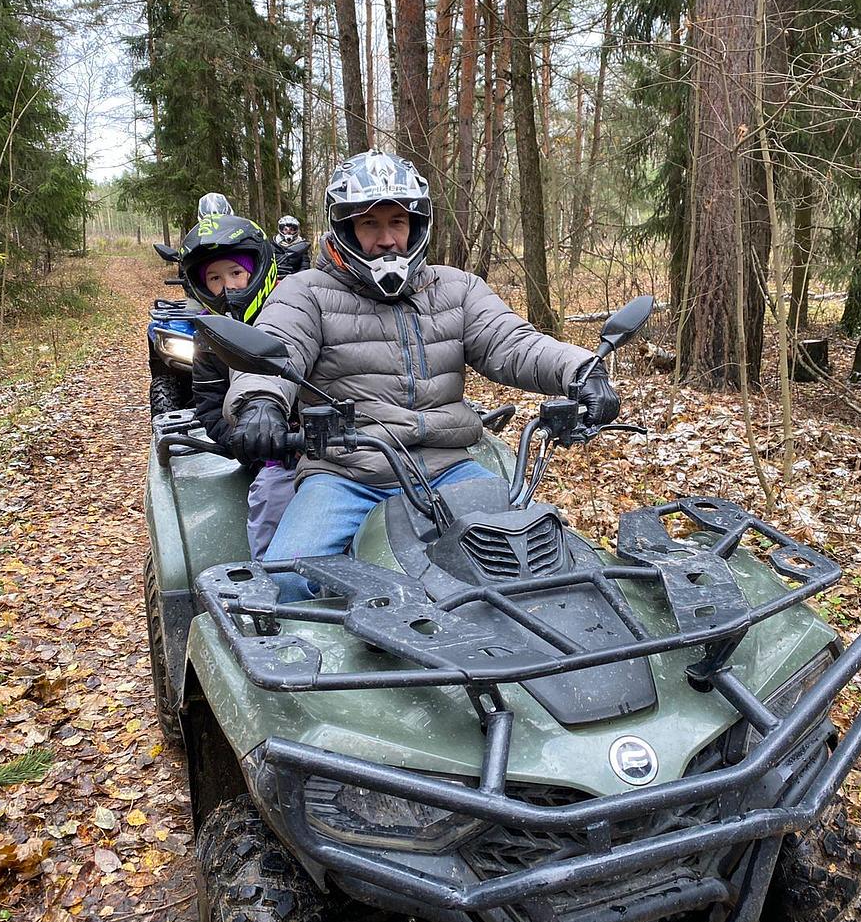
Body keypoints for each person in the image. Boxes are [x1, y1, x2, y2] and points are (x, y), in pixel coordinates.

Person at [224, 148, 621, 601]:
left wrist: (581, 372)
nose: (388, 238)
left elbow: (512, 341)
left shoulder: (457, 288)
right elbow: (276, 349)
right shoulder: (305, 293)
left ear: (416, 225)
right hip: (349, 473)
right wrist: (260, 403)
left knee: (547, 563)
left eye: (397, 222)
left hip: (450, 468)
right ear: (344, 229)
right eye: (370, 223)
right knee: (282, 582)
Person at [178, 208, 297, 559]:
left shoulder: (296, 311)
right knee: (272, 499)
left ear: (258, 270)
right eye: (214, 278)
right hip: (270, 455)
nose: (227, 286)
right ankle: (274, 589)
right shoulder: (209, 335)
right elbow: (210, 407)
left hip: (327, 444)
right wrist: (248, 441)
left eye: (235, 273)